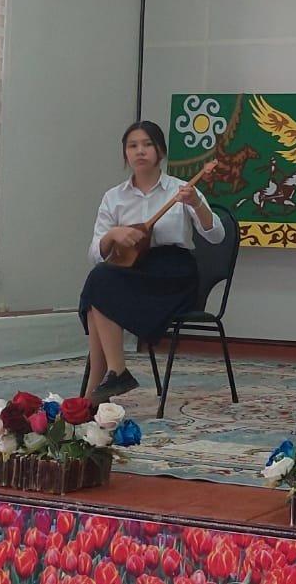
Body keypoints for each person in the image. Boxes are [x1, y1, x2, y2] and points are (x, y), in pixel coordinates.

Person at [80, 121, 225, 404]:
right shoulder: (114, 197)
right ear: (125, 153)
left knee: (97, 289)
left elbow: (217, 235)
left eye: (147, 144)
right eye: (132, 146)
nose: (140, 151)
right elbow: (96, 253)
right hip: (132, 271)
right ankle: (109, 379)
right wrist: (113, 235)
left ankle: (101, 385)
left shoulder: (182, 189)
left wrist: (196, 204)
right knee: (99, 281)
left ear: (160, 151)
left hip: (174, 275)